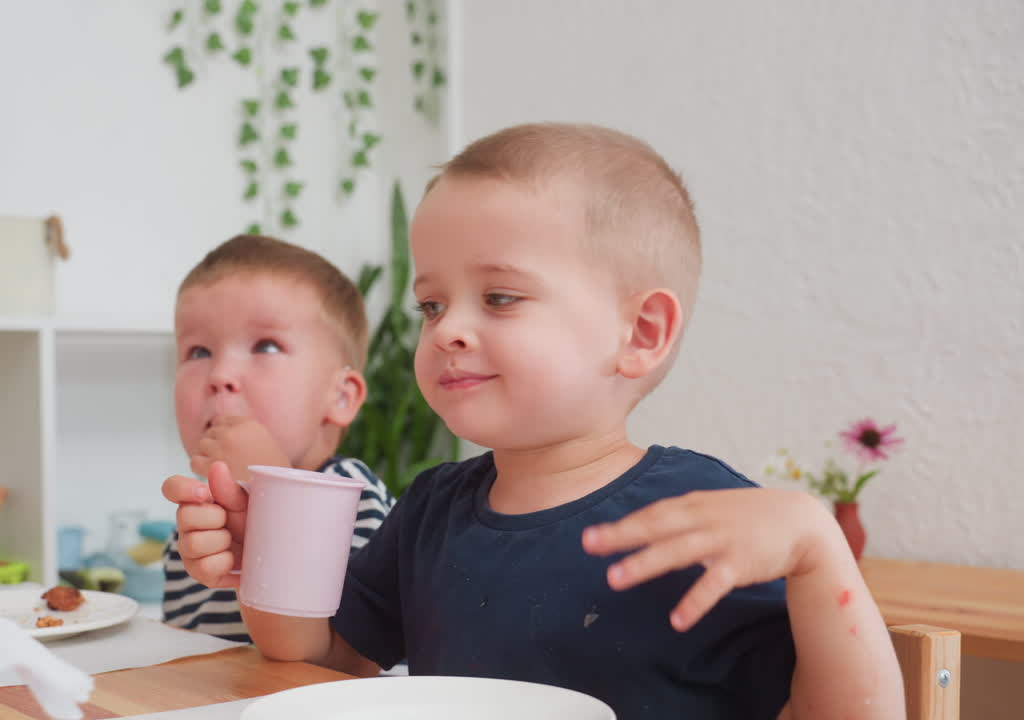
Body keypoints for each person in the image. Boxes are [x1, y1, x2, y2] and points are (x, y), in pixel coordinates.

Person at [165, 124, 904, 719]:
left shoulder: (703, 520)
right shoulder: (431, 510)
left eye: (501, 298)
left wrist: (815, 551)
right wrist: (270, 557)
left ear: (641, 333)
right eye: (431, 304)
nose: (447, 328)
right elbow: (324, 659)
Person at [161, 234, 394, 642]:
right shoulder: (198, 519)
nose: (220, 376)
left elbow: (348, 655)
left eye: (265, 346)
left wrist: (271, 491)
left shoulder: (354, 499)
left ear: (340, 396)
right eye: (198, 352)